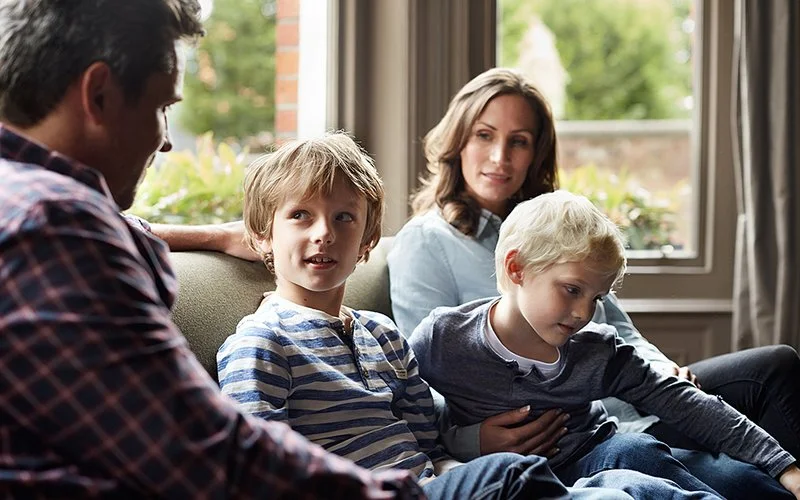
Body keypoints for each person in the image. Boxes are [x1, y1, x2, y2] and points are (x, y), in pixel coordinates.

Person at [0, 1, 427, 497]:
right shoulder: (55, 231)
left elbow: (123, 231)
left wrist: (215, 235)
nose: (165, 143)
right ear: (99, 94)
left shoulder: (26, 203)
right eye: (163, 107)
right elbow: (200, 453)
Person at [215, 131, 718, 500]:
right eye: (300, 215)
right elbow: (258, 474)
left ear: (367, 241)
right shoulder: (260, 344)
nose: (323, 233)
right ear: (262, 236)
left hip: (435, 485)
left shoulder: (383, 336)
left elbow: (429, 441)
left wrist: (461, 468)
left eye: (344, 217)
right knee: (512, 474)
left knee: (623, 482)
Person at [386, 66, 800, 463]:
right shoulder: (426, 243)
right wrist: (471, 440)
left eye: (519, 141)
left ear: (536, 153)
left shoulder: (555, 227)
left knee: (774, 367)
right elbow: (420, 377)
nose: (500, 156)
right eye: (484, 135)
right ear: (458, 142)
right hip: (569, 438)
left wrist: (658, 366)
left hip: (632, 403)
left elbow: (619, 329)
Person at [408, 190, 800, 499]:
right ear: (517, 269)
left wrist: (784, 466)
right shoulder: (443, 338)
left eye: (597, 297)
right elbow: (404, 412)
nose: (584, 313)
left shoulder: (596, 350)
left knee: (707, 469)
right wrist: (467, 441)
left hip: (601, 452)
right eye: (572, 289)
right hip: (519, 481)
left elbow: (686, 404)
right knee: (637, 459)